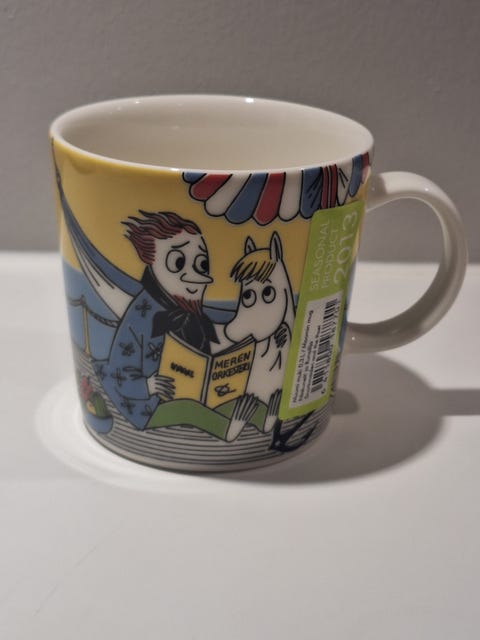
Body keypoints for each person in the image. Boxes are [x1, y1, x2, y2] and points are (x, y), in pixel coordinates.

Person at [99, 210, 218, 429]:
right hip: (144, 406)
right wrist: (148, 385)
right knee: (193, 411)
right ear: (152, 263)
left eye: (202, 264)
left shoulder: (193, 315)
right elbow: (119, 372)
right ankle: (226, 430)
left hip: (181, 396)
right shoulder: (142, 314)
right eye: (178, 262)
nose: (196, 275)